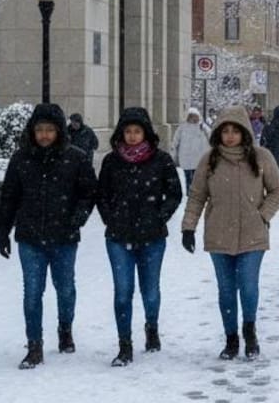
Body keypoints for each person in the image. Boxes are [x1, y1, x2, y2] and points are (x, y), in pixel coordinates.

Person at [0, 102, 98, 369]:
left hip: (64, 236)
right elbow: (9, 197)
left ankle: (65, 328)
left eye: (49, 130)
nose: (44, 135)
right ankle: (34, 345)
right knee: (32, 292)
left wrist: (77, 218)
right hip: (30, 237)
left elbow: (88, 193)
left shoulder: (75, 158)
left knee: (65, 289)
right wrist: (2, 231)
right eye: (39, 129)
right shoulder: (21, 159)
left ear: (59, 131)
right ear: (32, 131)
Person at [181, 106, 279, 361]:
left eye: (235, 131)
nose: (229, 136)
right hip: (219, 234)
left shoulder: (261, 157)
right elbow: (197, 196)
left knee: (248, 286)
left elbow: (277, 189)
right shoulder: (210, 160)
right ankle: (231, 338)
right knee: (226, 290)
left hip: (252, 234)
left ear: (244, 133)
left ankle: (249, 330)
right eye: (225, 131)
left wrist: (262, 215)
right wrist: (188, 227)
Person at [96, 107, 183, 367]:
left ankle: (151, 326)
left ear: (146, 133)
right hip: (118, 237)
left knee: (150, 291)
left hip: (152, 237)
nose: (132, 136)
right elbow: (101, 195)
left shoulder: (161, 160)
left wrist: (159, 216)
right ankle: (124, 344)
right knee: (123, 292)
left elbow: (174, 193)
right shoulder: (112, 161)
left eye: (137, 131)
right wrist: (111, 218)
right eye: (128, 131)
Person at [172, 108, 209, 195]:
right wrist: (173, 154)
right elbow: (175, 141)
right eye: (192, 116)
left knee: (197, 177)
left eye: (195, 116)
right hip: (186, 157)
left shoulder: (202, 127)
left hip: (198, 157)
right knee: (188, 177)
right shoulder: (182, 127)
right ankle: (189, 193)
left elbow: (210, 136)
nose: (194, 119)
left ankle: (196, 193)